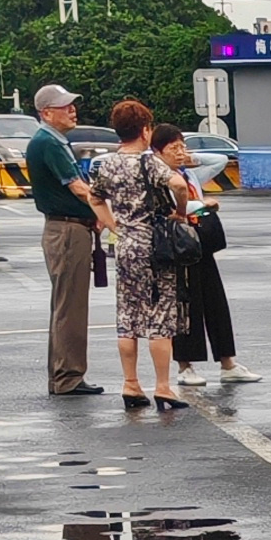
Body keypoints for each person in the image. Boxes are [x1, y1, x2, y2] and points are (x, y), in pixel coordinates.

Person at [82, 101, 195, 411]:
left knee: (128, 317)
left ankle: (130, 383)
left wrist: (111, 223)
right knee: (160, 315)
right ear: (146, 130)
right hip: (155, 248)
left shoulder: (105, 164)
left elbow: (94, 197)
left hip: (126, 246)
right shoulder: (149, 162)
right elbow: (178, 183)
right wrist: (179, 213)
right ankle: (162, 386)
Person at [24, 82, 114, 397]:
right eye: (65, 106)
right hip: (67, 231)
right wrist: (109, 218)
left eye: (72, 104)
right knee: (70, 307)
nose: (72, 110)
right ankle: (68, 378)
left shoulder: (53, 140)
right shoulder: (48, 142)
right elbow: (78, 187)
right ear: (46, 113)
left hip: (69, 228)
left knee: (66, 305)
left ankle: (65, 375)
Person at [156, 126, 257, 386]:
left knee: (215, 301)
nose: (180, 153)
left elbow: (219, 160)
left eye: (182, 147)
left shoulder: (188, 174)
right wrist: (203, 204)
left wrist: (191, 158)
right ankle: (185, 367)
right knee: (186, 305)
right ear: (157, 152)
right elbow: (172, 206)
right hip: (178, 245)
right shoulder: (160, 176)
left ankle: (228, 363)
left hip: (199, 242)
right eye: (173, 148)